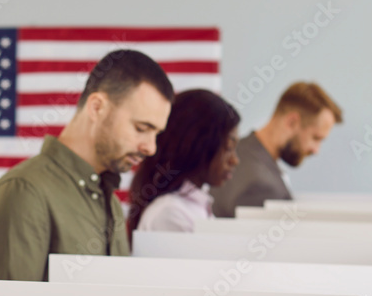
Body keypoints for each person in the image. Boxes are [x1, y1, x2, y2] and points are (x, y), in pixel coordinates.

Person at [0, 49, 173, 281]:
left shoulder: (111, 202)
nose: (151, 147)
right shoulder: (23, 193)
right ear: (97, 107)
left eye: (156, 133)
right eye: (141, 128)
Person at [210, 81, 342, 218]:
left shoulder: (243, 150)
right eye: (316, 138)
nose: (316, 150)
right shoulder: (260, 186)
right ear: (292, 122)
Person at [128, 89, 240, 234]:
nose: (234, 160)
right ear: (198, 145)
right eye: (228, 148)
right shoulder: (170, 214)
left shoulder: (194, 206)